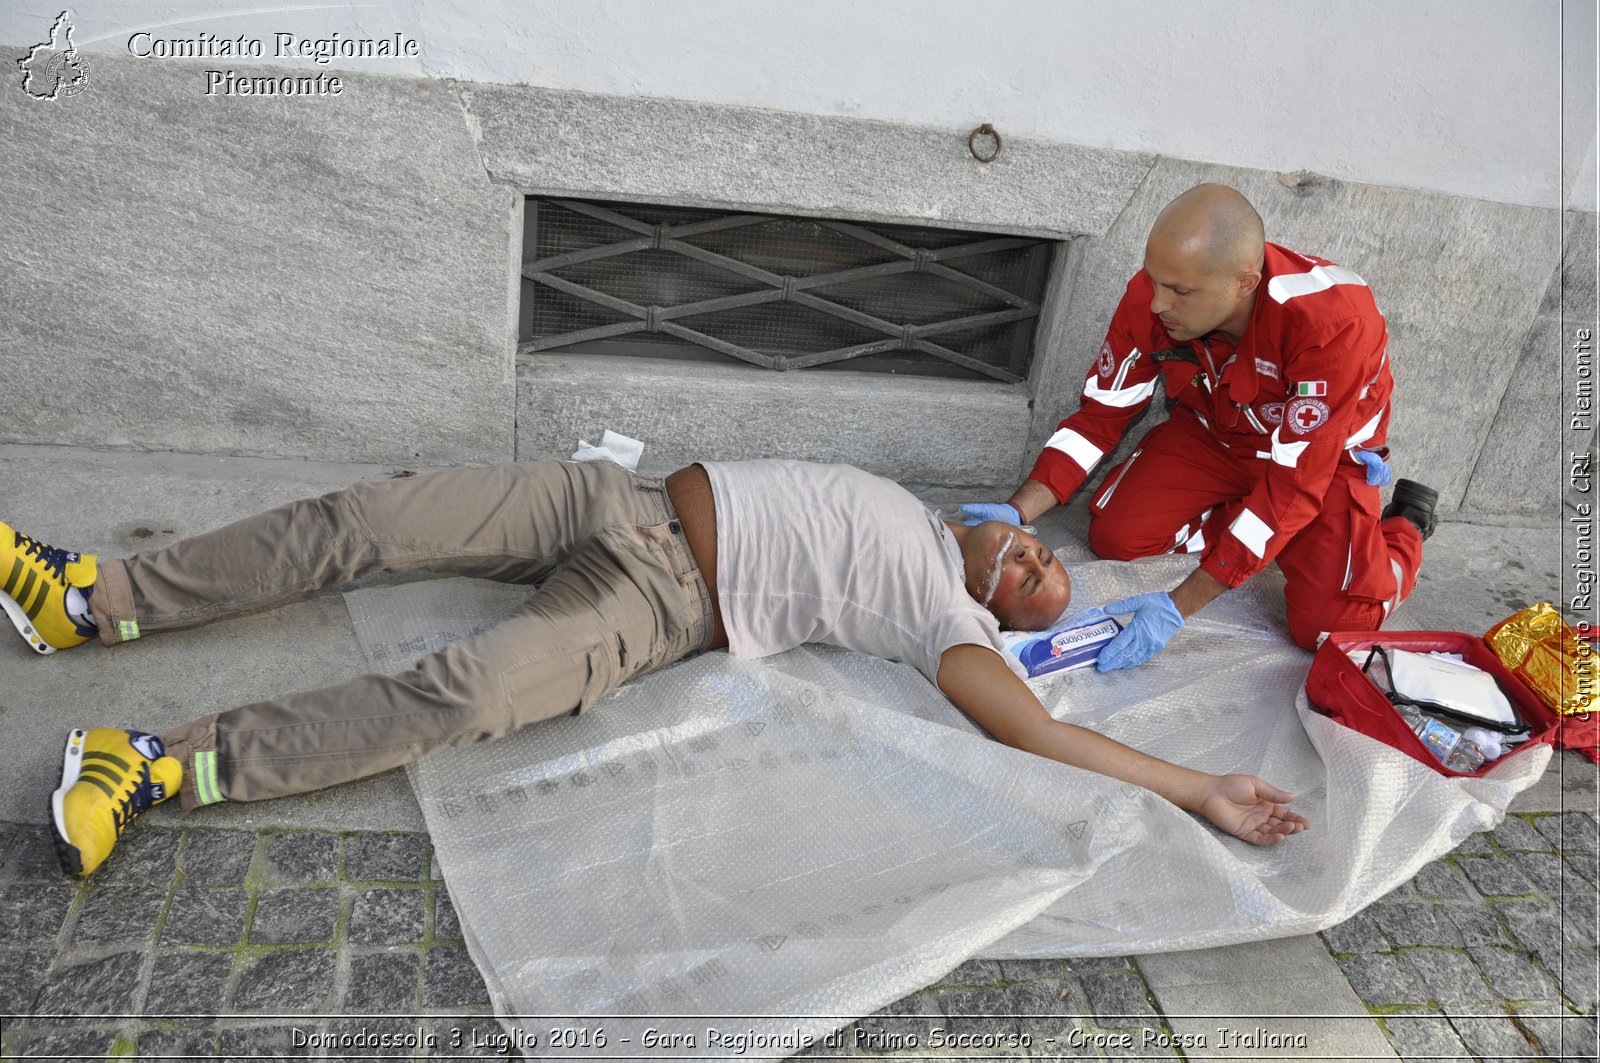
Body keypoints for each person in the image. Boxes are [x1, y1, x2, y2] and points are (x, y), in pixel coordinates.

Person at [3, 457, 1309, 877]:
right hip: (605, 495)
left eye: (1031, 572)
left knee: (460, 691)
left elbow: (1038, 734)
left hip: (662, 599)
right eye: (1030, 541)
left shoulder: (947, 622)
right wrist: (1029, 509)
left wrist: (1195, 786)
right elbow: (1040, 488)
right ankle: (85, 598)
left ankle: (160, 764)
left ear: (996, 611)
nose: (1025, 549)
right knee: (367, 521)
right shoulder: (930, 511)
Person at [963, 184, 1439, 670]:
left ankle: (1403, 534)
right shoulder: (1152, 295)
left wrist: (1179, 605)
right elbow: (1101, 415)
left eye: (1179, 291)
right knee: (1119, 539)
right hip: (1214, 434)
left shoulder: (1332, 325)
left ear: (1245, 284)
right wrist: (1016, 511)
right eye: (1154, 280)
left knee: (1329, 628)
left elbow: (1295, 483)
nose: (1156, 305)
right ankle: (1259, 532)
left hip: (1318, 463)